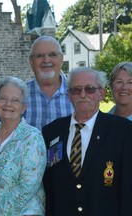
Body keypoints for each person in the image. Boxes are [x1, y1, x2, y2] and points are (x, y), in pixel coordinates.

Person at [42, 66, 132, 216]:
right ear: (69, 94)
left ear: (101, 93)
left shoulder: (123, 131)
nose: (82, 94)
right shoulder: (51, 131)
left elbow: (128, 189)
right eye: (76, 90)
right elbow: (48, 187)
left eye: (90, 89)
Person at [0, 76, 47, 216]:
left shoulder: (32, 138)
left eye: (15, 100)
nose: (8, 104)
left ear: (23, 107)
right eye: (3, 98)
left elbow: (28, 185)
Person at [24, 36, 74, 130]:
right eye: (40, 56)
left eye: (52, 55)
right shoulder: (20, 94)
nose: (46, 60)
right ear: (31, 62)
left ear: (61, 59)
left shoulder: (78, 93)